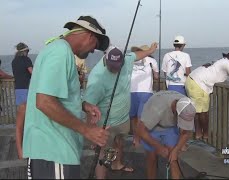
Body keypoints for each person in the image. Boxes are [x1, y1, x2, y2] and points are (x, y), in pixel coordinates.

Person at [22, 16, 111, 179]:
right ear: (90, 35)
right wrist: (87, 130)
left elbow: (52, 94)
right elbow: (44, 102)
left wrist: (82, 105)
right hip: (55, 151)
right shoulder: (61, 52)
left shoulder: (54, 48)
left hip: (49, 153)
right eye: (95, 46)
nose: (92, 51)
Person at [83, 43, 158, 179]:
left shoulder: (126, 60)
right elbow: (88, 107)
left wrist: (150, 50)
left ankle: (117, 164)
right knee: (103, 154)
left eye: (119, 66)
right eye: (113, 67)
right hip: (106, 123)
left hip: (123, 119)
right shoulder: (97, 78)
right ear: (105, 60)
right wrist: (91, 132)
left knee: (119, 142)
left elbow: (137, 55)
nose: (116, 69)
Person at [185, 51, 229, 142]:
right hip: (198, 84)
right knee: (203, 112)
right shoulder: (228, 63)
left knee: (197, 111)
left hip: (190, 80)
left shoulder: (219, 61)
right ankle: (206, 134)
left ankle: (198, 133)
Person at [136, 90, 196, 179]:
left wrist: (176, 150)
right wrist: (159, 147)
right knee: (151, 157)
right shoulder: (157, 108)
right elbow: (140, 130)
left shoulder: (188, 105)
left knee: (173, 158)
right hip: (152, 126)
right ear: (175, 110)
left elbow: (186, 133)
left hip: (170, 127)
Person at [129, 45, 159, 147]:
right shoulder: (152, 61)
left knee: (133, 118)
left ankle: (135, 138)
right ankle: (141, 138)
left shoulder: (130, 60)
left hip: (131, 91)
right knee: (141, 118)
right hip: (146, 92)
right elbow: (156, 76)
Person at [11, 42, 33, 160]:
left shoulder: (14, 61)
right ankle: (29, 145)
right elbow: (32, 73)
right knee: (30, 118)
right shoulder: (26, 59)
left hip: (18, 90)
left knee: (20, 120)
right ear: (25, 51)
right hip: (27, 89)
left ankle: (21, 150)